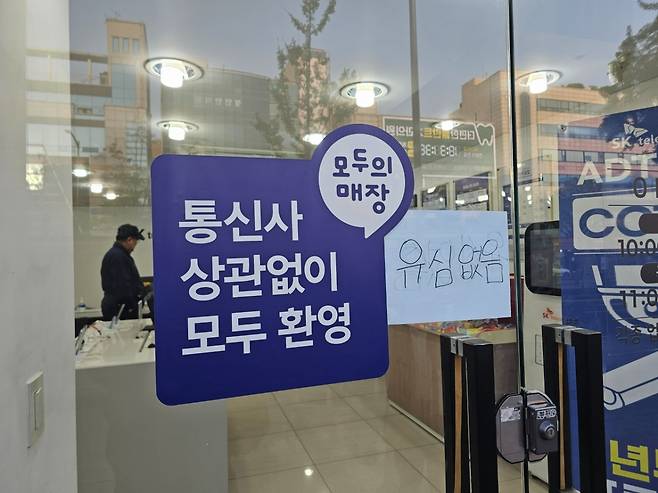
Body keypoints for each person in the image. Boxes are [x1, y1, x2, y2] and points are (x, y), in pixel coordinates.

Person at [100, 224, 146, 321]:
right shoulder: (119, 257)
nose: (135, 246)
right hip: (121, 310)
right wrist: (133, 304)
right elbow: (123, 286)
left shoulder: (116, 255)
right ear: (129, 240)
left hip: (118, 307)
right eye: (136, 241)